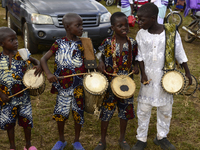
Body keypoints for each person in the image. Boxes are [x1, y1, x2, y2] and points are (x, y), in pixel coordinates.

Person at [131, 3, 192, 150]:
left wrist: (187, 72)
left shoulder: (171, 32)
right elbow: (139, 56)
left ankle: (162, 136)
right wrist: (143, 74)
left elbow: (180, 53)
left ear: (153, 18)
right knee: (144, 109)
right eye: (138, 19)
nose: (139, 23)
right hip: (148, 78)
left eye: (142, 20)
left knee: (165, 109)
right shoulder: (141, 34)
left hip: (166, 78)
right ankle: (141, 138)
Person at [40, 13, 88, 150]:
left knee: (78, 112)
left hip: (79, 86)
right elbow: (43, 59)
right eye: (77, 25)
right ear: (67, 27)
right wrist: (48, 73)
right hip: (63, 86)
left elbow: (91, 63)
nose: (81, 28)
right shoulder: (58, 43)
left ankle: (77, 141)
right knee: (61, 113)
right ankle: (61, 140)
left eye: (81, 25)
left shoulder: (83, 43)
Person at [94, 12, 139, 150]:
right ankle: (102, 140)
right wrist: (100, 62)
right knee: (106, 112)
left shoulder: (132, 42)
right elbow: (99, 54)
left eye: (126, 25)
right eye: (120, 26)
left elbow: (137, 57)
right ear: (113, 27)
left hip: (126, 83)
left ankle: (122, 138)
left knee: (124, 111)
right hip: (110, 83)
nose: (124, 28)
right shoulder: (107, 42)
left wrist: (136, 66)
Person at [0, 27, 42, 150]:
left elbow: (36, 61)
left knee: (26, 121)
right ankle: (12, 146)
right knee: (9, 123)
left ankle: (28, 144)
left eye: (16, 39)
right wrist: (1, 95)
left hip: (23, 97)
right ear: (2, 43)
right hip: (6, 99)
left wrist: (38, 66)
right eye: (11, 40)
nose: (16, 42)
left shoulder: (23, 55)